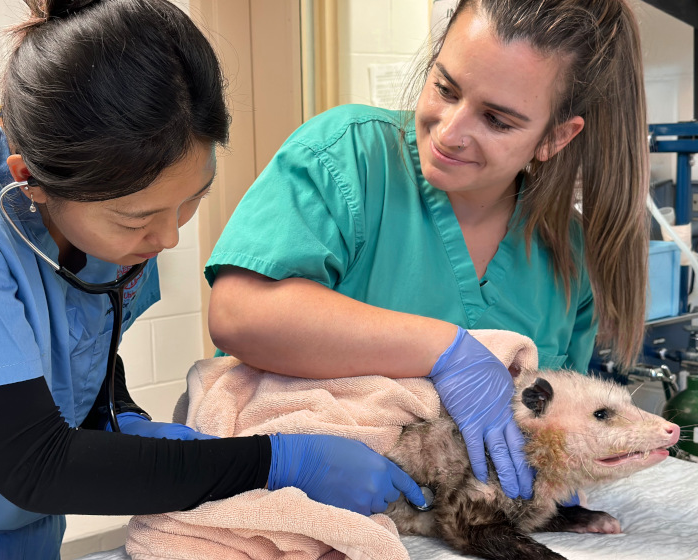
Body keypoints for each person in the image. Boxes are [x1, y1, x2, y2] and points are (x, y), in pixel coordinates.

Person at [0, 1, 427, 558]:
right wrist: (276, 461)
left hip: (26, 531)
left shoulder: (118, 212)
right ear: (29, 180)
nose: (167, 238)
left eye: (192, 201)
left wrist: (120, 415)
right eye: (135, 219)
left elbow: (76, 342)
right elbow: (32, 464)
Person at [207, 0, 649, 504]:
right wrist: (445, 350)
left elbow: (558, 430)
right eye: (446, 88)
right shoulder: (351, 158)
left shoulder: (567, 257)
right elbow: (238, 314)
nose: (450, 132)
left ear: (555, 137)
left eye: (497, 120)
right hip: (284, 508)